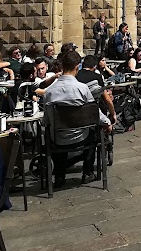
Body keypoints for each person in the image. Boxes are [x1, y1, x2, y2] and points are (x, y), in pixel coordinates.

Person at [43, 50, 112, 188]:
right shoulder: (83, 89)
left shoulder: (49, 92)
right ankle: (87, 172)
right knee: (94, 130)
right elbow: (94, 114)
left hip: (59, 139)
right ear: (77, 67)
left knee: (51, 131)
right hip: (82, 138)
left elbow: (46, 121)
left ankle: (60, 175)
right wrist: (107, 122)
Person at [76, 55, 116, 125]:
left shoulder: (75, 76)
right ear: (94, 66)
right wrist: (113, 114)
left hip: (79, 110)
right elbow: (107, 99)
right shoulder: (97, 77)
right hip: (94, 110)